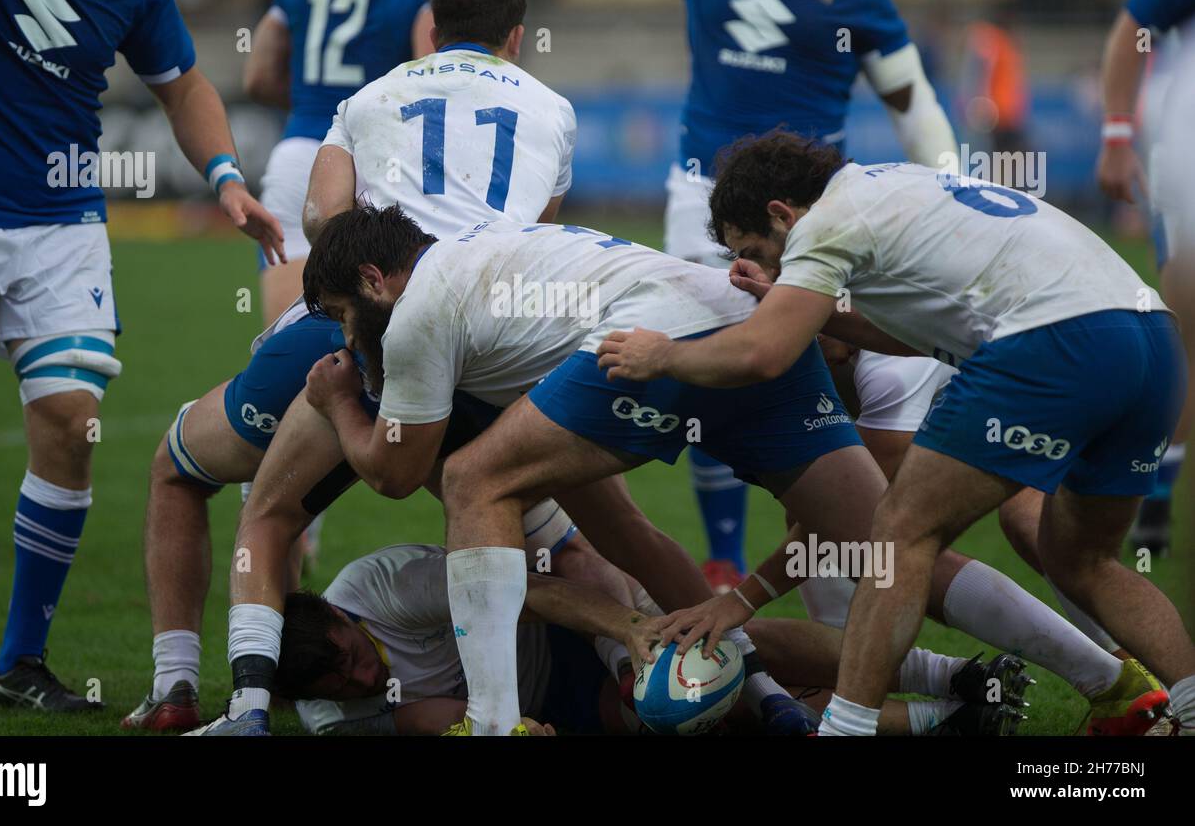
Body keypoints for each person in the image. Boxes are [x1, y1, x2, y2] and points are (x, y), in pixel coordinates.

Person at [297, 205, 1139, 736]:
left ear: (375, 279)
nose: (344, 339)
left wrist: (340, 405)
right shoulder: (478, 245)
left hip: (651, 347)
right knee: (888, 538)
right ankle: (1115, 684)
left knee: (472, 482)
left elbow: (399, 472)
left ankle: (490, 724)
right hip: (750, 327)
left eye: (342, 316)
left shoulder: (410, 318)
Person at [596, 130, 1195, 737]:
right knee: (1084, 560)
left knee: (896, 535)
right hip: (1152, 343)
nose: (773, 270)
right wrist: (799, 303)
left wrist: (664, 354)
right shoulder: (890, 187)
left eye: (758, 250)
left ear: (782, 214)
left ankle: (845, 730)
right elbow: (913, 333)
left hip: (1056, 341)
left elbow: (763, 354)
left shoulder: (823, 225)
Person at [126, 0, 576, 731]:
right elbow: (538, 245)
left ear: (429, 31)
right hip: (486, 355)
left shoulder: (371, 98)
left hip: (354, 337)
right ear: (518, 38)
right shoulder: (553, 109)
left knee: (187, 475)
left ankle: (197, 695)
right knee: (561, 547)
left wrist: (361, 301)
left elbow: (327, 225)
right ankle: (704, 668)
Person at [0, 0, 282, 718]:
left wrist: (223, 175)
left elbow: (181, 83)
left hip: (63, 224)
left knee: (72, 424)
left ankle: (18, 662)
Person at [577, 0, 958, 593]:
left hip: (811, 216)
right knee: (709, 360)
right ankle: (725, 559)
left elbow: (913, 100)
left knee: (813, 360)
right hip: (703, 201)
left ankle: (831, 530)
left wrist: (951, 183)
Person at [278, 544, 1030, 736]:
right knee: (697, 711)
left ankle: (954, 672)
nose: (358, 679)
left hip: (574, 620)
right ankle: (952, 717)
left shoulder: (379, 587)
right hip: (549, 697)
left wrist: (634, 638)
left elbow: (530, 593)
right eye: (337, 686)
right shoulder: (334, 715)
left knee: (725, 646)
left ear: (342, 619)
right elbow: (436, 721)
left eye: (350, 659)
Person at [244, 0, 476, 326]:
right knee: (381, 352)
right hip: (373, 169)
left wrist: (319, 106)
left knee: (281, 343)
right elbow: (432, 87)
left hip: (298, 159)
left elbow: (257, 76)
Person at [1094, 0, 1195, 556]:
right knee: (1188, 320)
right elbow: (1133, 31)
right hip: (1188, 152)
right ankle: (1155, 489)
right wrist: (1116, 134)